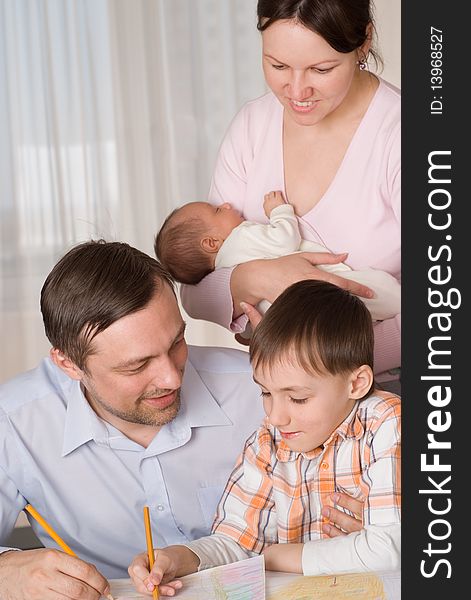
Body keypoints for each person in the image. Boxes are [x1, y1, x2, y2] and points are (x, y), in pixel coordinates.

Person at [179, 0, 401, 392]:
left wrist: (312, 358)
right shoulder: (252, 127)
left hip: (385, 389)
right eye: (278, 66)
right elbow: (196, 291)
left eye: (322, 69)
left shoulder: (401, 135)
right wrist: (258, 277)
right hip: (280, 392)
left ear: (364, 42)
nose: (297, 90)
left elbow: (446, 303)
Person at [128, 280, 401, 596]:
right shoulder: (268, 442)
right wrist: (180, 557)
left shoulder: (388, 424)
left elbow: (390, 549)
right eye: (266, 392)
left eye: (297, 398)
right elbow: (237, 542)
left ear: (356, 384)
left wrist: (276, 557)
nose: (276, 416)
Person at [155, 190, 400, 324]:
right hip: (327, 282)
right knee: (379, 291)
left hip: (302, 317)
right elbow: (284, 238)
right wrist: (279, 211)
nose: (227, 205)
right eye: (218, 211)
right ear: (211, 243)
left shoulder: (223, 273)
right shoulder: (241, 237)